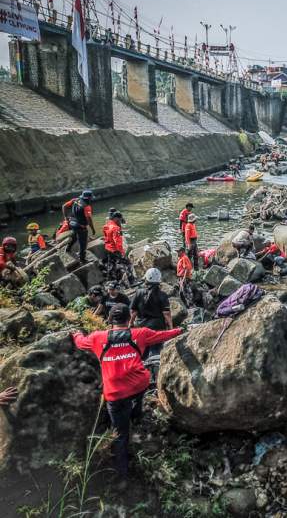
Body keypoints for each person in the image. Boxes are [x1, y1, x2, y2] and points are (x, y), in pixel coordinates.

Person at [72, 303, 182, 477]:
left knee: (121, 433)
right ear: (128, 319)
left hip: (115, 393)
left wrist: (76, 333)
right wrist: (180, 330)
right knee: (137, 398)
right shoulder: (141, 334)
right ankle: (136, 415)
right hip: (139, 384)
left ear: (110, 319)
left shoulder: (97, 338)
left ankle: (121, 473)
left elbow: (79, 343)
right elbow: (163, 336)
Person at [130, 268, 173, 384]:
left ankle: (141, 378)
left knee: (141, 353)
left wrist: (130, 324)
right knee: (156, 353)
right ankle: (155, 379)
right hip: (157, 328)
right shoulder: (162, 295)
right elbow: (166, 314)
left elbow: (133, 312)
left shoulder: (138, 292)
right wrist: (171, 327)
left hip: (141, 328)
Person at [62, 190, 95, 263]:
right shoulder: (87, 207)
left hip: (71, 223)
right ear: (88, 198)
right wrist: (92, 229)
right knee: (83, 243)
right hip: (80, 226)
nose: (92, 199)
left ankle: (68, 248)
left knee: (74, 237)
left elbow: (64, 206)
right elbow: (89, 219)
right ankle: (82, 259)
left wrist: (65, 217)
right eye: (91, 198)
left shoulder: (75, 200)